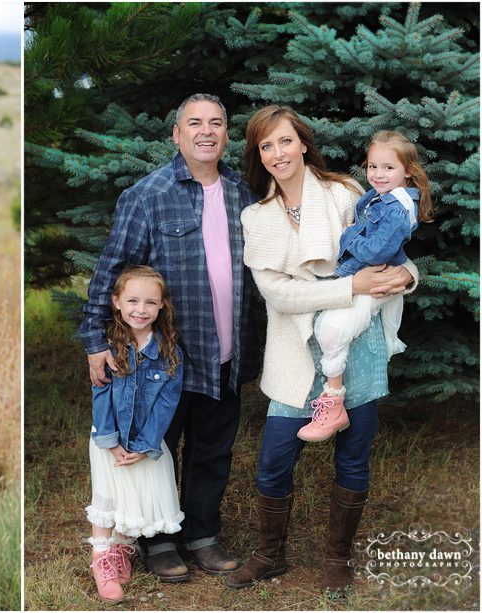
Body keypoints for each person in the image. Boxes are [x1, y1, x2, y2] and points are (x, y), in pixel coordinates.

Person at [226, 105, 418, 595]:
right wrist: (351, 287)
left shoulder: (345, 192)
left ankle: (337, 559)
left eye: (285, 141)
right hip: (294, 350)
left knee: (353, 458)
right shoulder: (257, 217)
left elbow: (390, 250)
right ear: (259, 156)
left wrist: (408, 276)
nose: (277, 153)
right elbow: (280, 294)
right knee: (273, 458)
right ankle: (270, 555)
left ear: (303, 143)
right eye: (265, 146)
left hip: (357, 345)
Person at [80, 93, 261, 581]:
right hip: (163, 359)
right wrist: (96, 341)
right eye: (194, 123)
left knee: (213, 448)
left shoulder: (242, 195)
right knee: (156, 444)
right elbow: (111, 272)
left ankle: (202, 533)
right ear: (176, 134)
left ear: (227, 134)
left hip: (225, 349)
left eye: (217, 123)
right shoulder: (147, 195)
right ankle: (158, 539)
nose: (207, 132)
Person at [300, 130, 433, 442]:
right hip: (358, 274)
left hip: (373, 275)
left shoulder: (397, 208)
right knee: (329, 328)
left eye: (388, 168)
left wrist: (347, 236)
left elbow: (377, 252)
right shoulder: (376, 197)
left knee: (331, 329)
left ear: (407, 171)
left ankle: (333, 402)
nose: (378, 174)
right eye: (373, 166)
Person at [87, 265, 185, 603]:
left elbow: (167, 403)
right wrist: (110, 441)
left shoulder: (170, 351)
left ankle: (121, 549)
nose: (140, 310)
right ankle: (102, 558)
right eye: (132, 301)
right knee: (108, 496)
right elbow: (100, 392)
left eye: (149, 303)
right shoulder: (109, 346)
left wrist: (145, 445)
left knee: (135, 497)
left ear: (161, 307)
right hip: (109, 438)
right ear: (116, 301)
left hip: (146, 441)